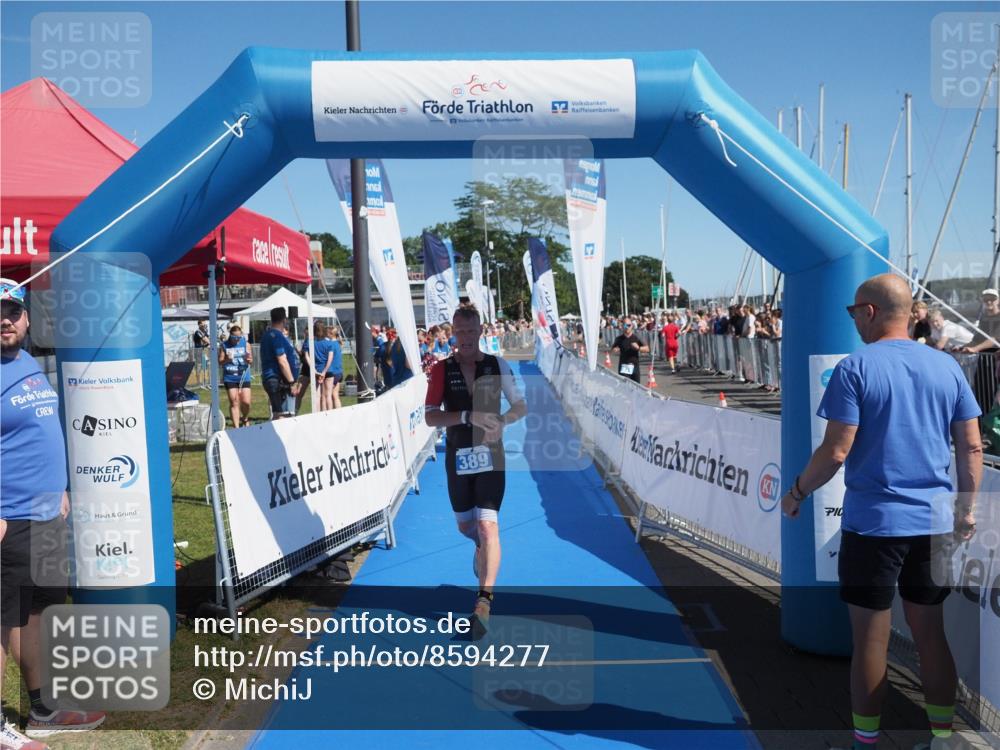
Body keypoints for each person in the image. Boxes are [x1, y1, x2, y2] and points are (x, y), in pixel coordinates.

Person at [781, 274, 981, 750]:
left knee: (871, 642)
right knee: (929, 634)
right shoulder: (947, 366)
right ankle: (942, 738)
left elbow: (834, 452)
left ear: (869, 312)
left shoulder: (856, 367)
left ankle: (866, 743)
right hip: (933, 522)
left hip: (874, 525)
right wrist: (966, 511)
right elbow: (971, 446)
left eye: (853, 313)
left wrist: (796, 493)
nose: (853, 322)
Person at [1, 279, 106, 748]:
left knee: (37, 613)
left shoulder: (25, 362)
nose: (4, 319)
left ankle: (41, 709)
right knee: (2, 622)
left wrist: (59, 488)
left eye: (12, 311)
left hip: (44, 515)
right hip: (9, 518)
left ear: (25, 318)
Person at [424, 305, 527, 633]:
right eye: (460, 332)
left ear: (480, 332)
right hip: (458, 456)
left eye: (471, 331)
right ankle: (480, 551)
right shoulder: (441, 370)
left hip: (491, 456)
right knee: (468, 528)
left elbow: (520, 405)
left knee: (488, 527)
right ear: (452, 333)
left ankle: (484, 601)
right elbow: (430, 416)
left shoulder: (497, 365)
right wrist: (467, 416)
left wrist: (503, 421)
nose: (465, 338)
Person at [957, 288, 1000, 416]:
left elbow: (995, 339)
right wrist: (962, 347)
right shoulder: (984, 319)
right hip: (985, 361)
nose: (989, 302)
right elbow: (977, 339)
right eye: (986, 299)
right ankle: (985, 424)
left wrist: (975, 349)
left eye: (992, 299)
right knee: (983, 391)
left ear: (998, 300)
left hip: (997, 361)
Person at [259, 307, 300, 420]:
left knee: (281, 413)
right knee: (282, 415)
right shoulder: (276, 336)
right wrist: (292, 382)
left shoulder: (268, 335)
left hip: (274, 379)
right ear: (284, 320)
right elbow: (282, 361)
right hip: (277, 380)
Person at [219, 324, 253, 427]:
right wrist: (227, 359)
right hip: (230, 376)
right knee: (234, 402)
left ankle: (245, 418)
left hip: (243, 375)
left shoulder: (246, 344)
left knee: (246, 402)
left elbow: (250, 360)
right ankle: (236, 427)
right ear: (230, 335)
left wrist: (249, 360)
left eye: (239, 337)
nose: (237, 339)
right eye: (235, 337)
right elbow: (220, 362)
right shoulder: (224, 345)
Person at [610, 318, 649, 384]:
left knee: (637, 387)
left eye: (629, 325)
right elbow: (612, 350)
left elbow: (647, 349)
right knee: (625, 387)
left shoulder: (637, 337)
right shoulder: (619, 339)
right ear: (622, 326)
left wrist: (638, 348)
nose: (627, 327)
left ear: (632, 326)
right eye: (625, 325)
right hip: (624, 367)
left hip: (635, 366)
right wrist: (615, 350)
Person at [192, 319, 210, 386]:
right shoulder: (198, 332)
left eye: (205, 324)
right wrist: (208, 342)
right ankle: (198, 382)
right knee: (199, 366)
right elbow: (207, 340)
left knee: (205, 365)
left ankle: (205, 382)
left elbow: (208, 339)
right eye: (203, 324)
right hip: (199, 350)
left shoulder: (204, 331)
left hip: (204, 350)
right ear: (199, 325)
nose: (204, 325)